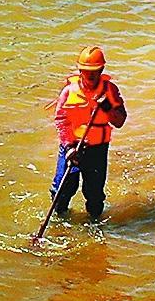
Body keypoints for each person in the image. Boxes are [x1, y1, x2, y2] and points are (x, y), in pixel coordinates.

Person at [51, 45, 126, 222]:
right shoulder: (69, 92)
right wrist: (69, 147)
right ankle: (60, 222)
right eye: (86, 71)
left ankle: (95, 225)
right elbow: (61, 120)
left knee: (94, 195)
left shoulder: (111, 91)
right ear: (80, 70)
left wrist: (108, 107)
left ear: (102, 70)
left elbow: (120, 121)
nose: (90, 75)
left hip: (97, 149)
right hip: (72, 148)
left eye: (95, 71)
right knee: (62, 190)